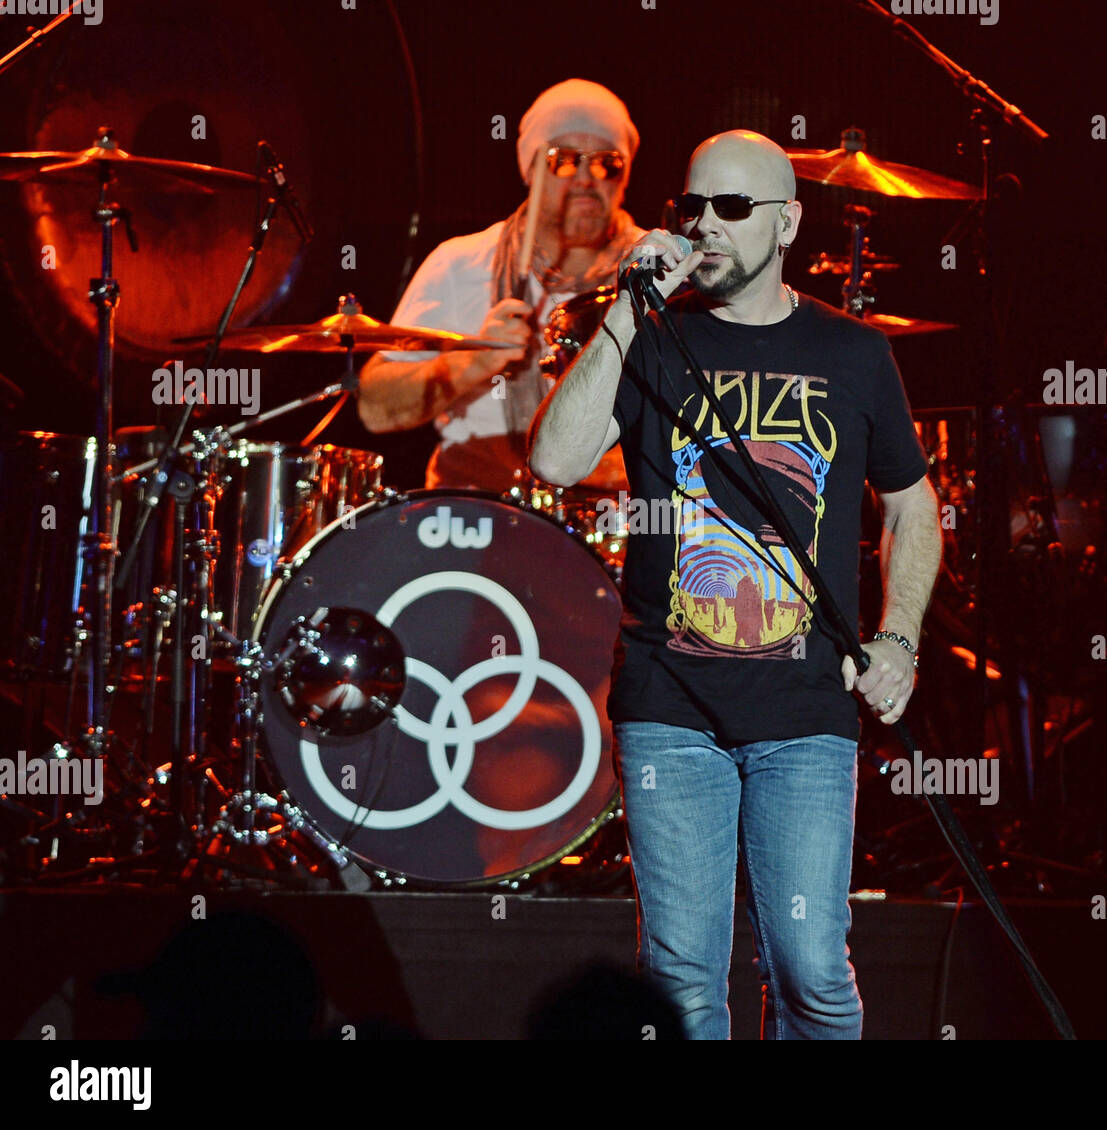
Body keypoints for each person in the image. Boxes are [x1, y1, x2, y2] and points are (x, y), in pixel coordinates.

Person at [529, 129, 942, 1039]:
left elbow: (914, 508)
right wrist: (630, 310)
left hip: (803, 708)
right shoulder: (653, 338)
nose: (706, 226)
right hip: (669, 703)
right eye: (694, 206)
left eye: (733, 208)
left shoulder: (854, 354)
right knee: (680, 984)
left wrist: (899, 638)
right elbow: (555, 459)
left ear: (788, 223)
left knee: (812, 974)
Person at [357, 79, 645, 494]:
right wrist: (473, 362)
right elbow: (375, 409)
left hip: (619, 518)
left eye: (607, 162)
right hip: (479, 516)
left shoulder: (659, 269)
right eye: (564, 160)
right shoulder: (461, 263)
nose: (586, 178)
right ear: (529, 169)